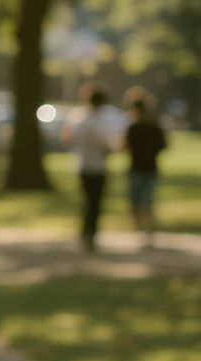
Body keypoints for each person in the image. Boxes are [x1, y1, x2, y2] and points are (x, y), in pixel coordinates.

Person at [66, 83, 113, 252]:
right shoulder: (99, 121)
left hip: (81, 164)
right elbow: (107, 146)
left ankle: (85, 232)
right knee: (95, 203)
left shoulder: (77, 118)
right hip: (97, 166)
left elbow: (68, 138)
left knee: (87, 201)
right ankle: (90, 234)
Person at [124, 89, 168, 249]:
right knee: (147, 200)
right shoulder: (155, 127)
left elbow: (125, 147)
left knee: (135, 200)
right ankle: (147, 230)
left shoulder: (133, 128)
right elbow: (164, 146)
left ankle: (139, 228)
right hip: (151, 167)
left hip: (136, 167)